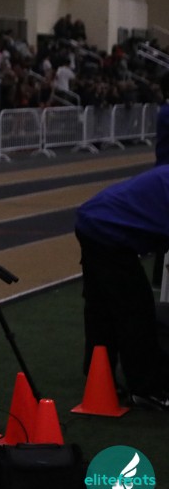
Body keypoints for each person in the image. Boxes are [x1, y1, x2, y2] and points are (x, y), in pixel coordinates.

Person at [75, 166, 169, 410]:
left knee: (101, 309)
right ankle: (146, 388)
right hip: (107, 230)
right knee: (135, 310)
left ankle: (99, 377)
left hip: (95, 219)